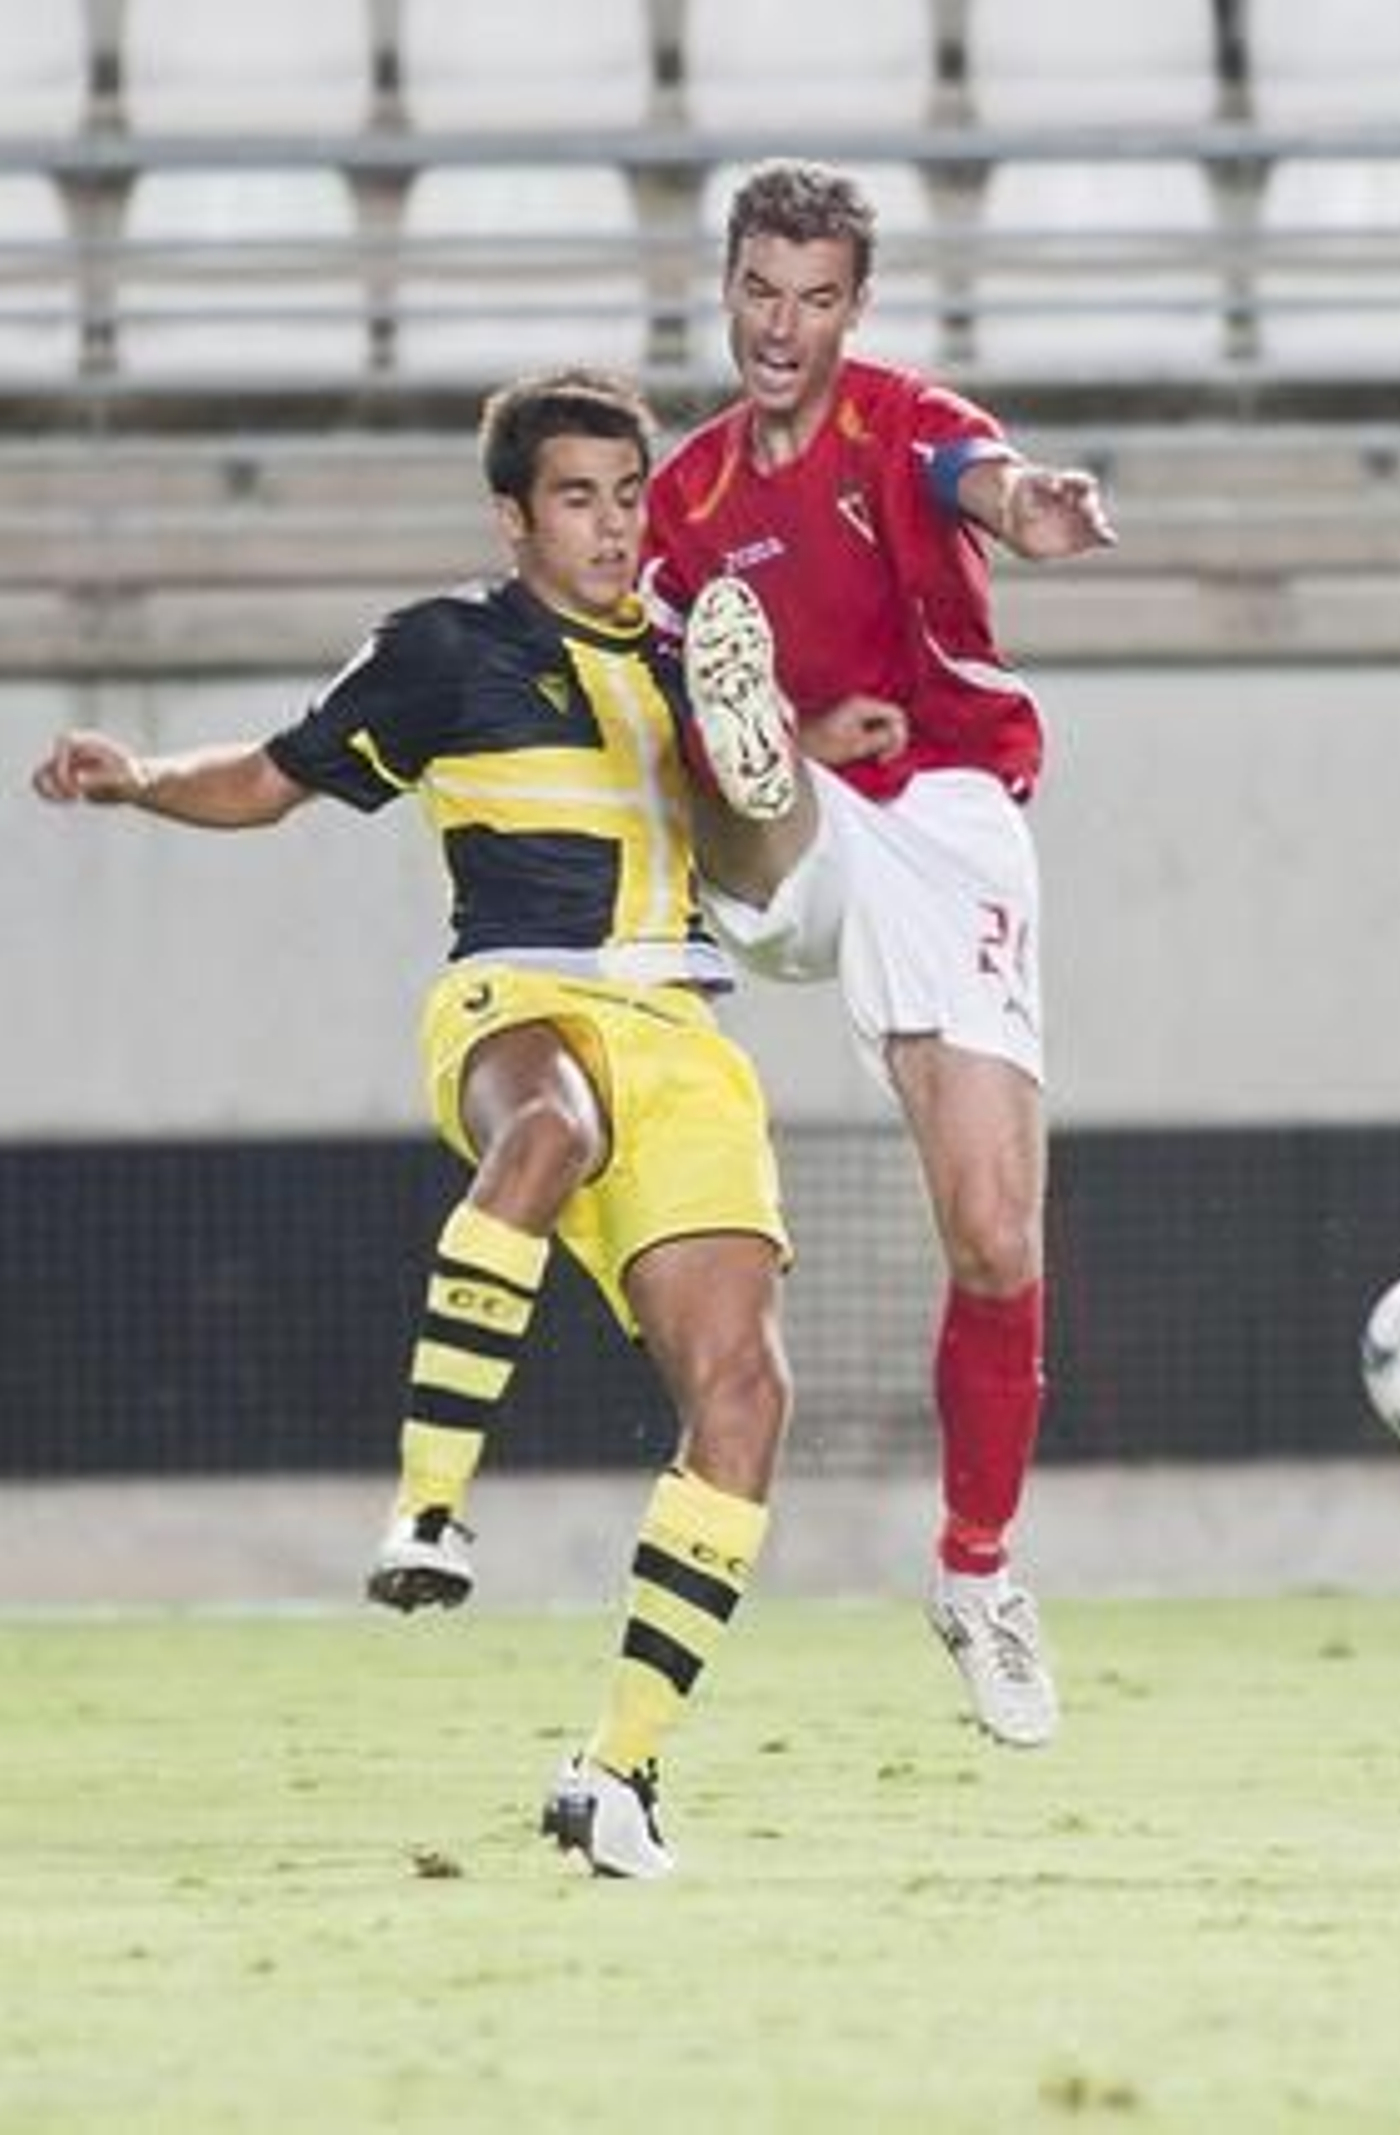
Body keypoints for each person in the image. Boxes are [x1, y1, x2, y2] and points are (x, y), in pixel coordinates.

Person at [31, 368, 793, 1880]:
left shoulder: (688, 651)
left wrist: (767, 747)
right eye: (578, 498)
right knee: (548, 1130)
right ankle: (430, 1514)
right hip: (519, 994)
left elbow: (765, 871)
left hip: (686, 1033)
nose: (612, 526)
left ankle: (616, 1773)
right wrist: (136, 782)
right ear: (514, 517)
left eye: (629, 495)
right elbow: (269, 776)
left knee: (748, 1401)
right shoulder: (447, 648)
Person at [642, 159, 1116, 1749]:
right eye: (759, 293)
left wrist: (1029, 505)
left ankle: (976, 1573)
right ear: (725, 289)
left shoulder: (903, 422)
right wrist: (771, 742)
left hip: (945, 820)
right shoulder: (684, 502)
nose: (784, 328)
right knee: (737, 764)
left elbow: (985, 475)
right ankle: (754, 786)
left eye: (817, 299)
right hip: (801, 827)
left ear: (858, 306)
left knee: (993, 1234)